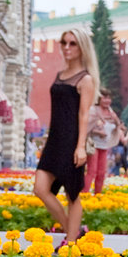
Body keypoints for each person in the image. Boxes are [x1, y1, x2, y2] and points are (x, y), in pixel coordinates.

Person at [34, 28, 97, 242]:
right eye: (64, 43)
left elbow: (84, 114)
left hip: (71, 141)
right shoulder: (59, 75)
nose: (67, 48)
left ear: (81, 48)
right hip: (54, 139)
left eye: (72, 44)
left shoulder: (85, 79)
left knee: (72, 193)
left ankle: (71, 244)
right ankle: (74, 233)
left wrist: (80, 146)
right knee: (40, 188)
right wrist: (46, 141)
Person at [85, 92, 123, 195]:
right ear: (99, 99)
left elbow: (117, 126)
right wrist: (98, 132)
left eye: (109, 98)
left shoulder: (111, 112)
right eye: (104, 98)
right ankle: (84, 194)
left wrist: (116, 121)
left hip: (105, 145)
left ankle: (98, 195)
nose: (107, 101)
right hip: (94, 145)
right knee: (92, 171)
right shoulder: (93, 110)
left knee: (101, 172)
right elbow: (86, 127)